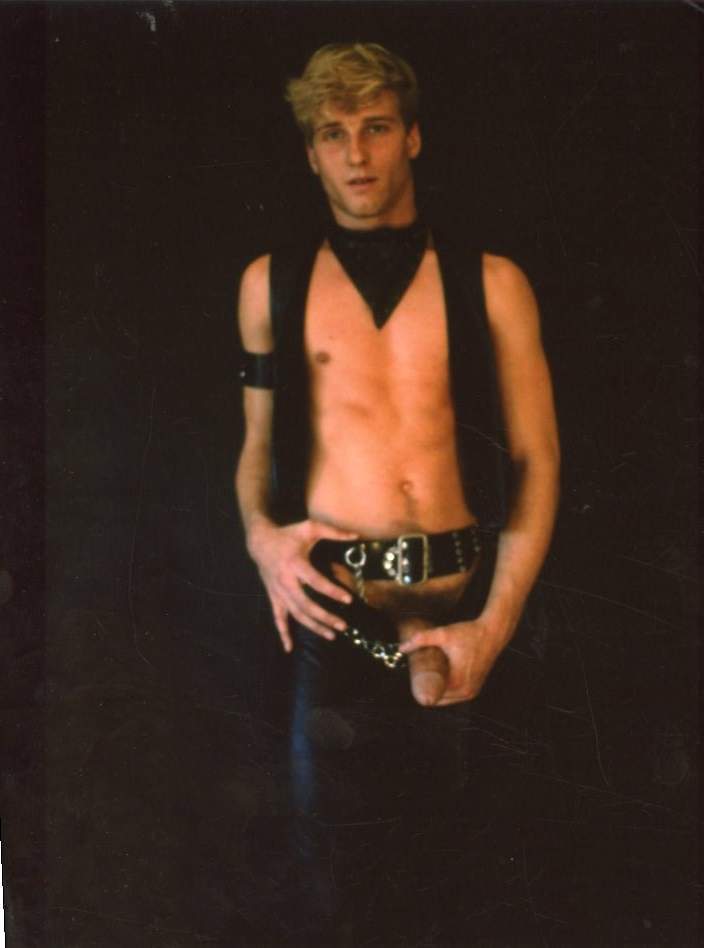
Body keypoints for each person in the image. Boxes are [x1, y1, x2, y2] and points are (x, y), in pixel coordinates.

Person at [235, 42, 559, 944]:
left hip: (463, 615)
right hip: (336, 621)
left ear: (412, 137)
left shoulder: (492, 283)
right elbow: (253, 448)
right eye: (333, 134)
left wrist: (495, 625)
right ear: (310, 152)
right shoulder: (269, 284)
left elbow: (536, 460)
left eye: (376, 127)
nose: (357, 154)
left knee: (467, 889)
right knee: (335, 888)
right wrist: (260, 535)